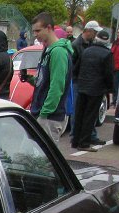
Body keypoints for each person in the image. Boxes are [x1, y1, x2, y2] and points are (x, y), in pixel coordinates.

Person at [29, 13, 73, 144]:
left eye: (38, 30)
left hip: (49, 117)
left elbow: (57, 87)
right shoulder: (47, 50)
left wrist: (44, 114)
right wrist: (31, 80)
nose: (35, 34)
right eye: (34, 31)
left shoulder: (58, 52)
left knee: (44, 161)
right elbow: (44, 82)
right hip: (41, 113)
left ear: (49, 28)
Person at [71, 24, 112, 150]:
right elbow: (108, 74)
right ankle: (84, 143)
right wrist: (110, 89)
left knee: (79, 114)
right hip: (95, 89)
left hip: (82, 85)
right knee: (90, 116)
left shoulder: (87, 51)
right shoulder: (107, 54)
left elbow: (76, 68)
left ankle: (75, 141)